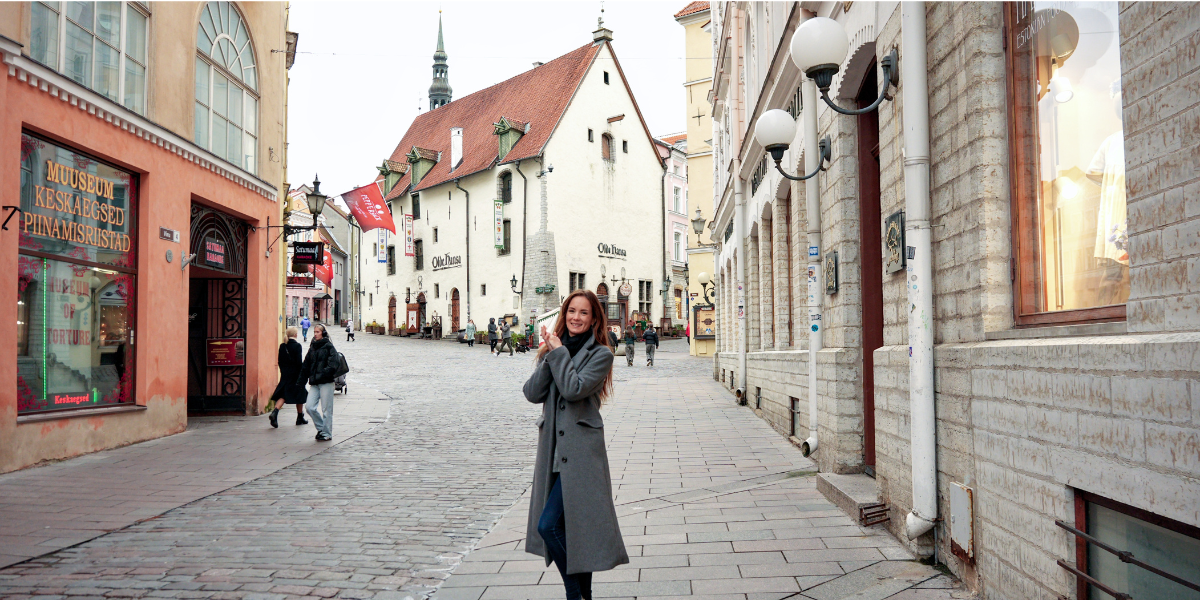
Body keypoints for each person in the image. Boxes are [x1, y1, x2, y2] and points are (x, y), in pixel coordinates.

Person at [522, 290, 627, 600]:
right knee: (572, 531)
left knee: (549, 526)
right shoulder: (555, 348)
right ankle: (582, 596)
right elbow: (531, 392)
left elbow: (573, 388)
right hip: (553, 451)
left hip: (582, 455)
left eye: (583, 313)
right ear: (563, 315)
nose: (576, 317)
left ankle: (575, 594)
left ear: (594, 319)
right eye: (571, 311)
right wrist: (548, 352)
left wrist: (557, 354)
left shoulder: (601, 354)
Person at [298, 324, 339, 441]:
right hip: (315, 383)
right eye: (314, 332)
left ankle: (327, 434)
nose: (315, 334)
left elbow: (333, 364)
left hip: (326, 382)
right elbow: (305, 365)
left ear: (323, 333)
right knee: (310, 407)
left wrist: (323, 373)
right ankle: (322, 428)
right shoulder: (313, 347)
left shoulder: (329, 346)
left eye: (317, 332)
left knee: (327, 410)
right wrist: (300, 382)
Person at [268, 327, 308, 428]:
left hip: (285, 374)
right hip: (295, 375)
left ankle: (275, 412)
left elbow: (280, 361)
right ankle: (299, 417)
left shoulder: (282, 346)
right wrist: (301, 375)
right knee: (300, 394)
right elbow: (298, 362)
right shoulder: (297, 346)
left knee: (283, 395)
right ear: (295, 335)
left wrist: (284, 371)